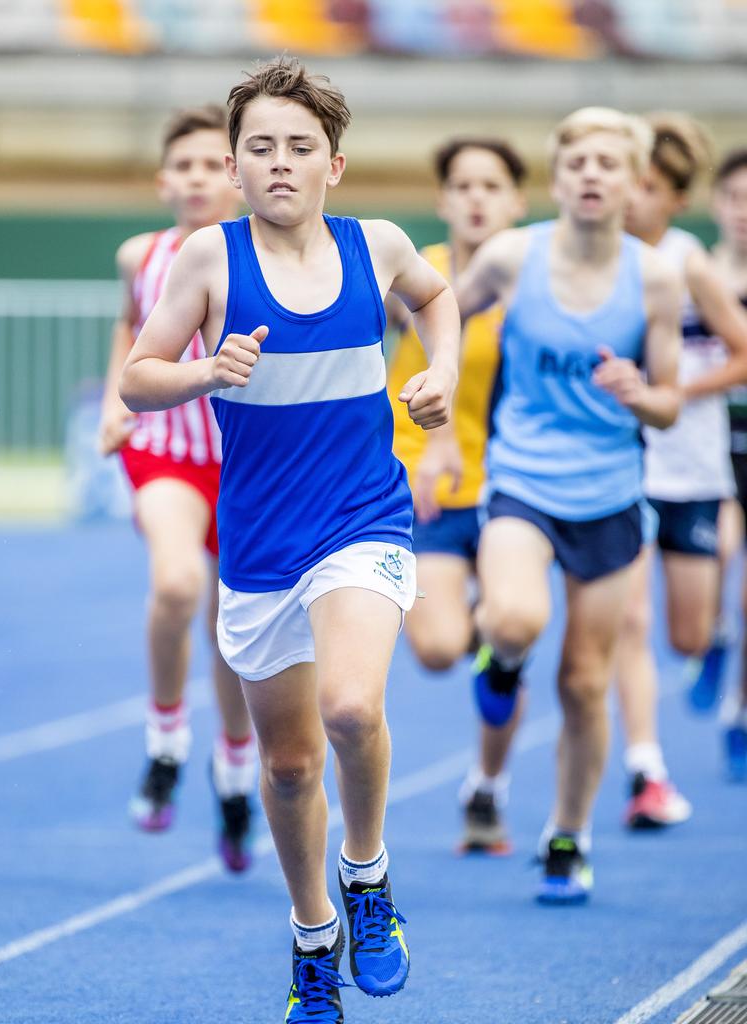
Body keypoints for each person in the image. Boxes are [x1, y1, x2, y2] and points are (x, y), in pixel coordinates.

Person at [119, 56, 459, 1023]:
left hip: (363, 516)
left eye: (299, 147)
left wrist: (441, 372)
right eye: (260, 148)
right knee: (290, 764)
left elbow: (438, 301)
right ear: (233, 168)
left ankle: (368, 879)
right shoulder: (208, 262)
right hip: (262, 540)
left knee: (353, 710)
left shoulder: (379, 245)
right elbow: (139, 377)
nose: (279, 163)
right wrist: (204, 372)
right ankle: (313, 937)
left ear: (333, 165)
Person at [453, 107, 682, 903]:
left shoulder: (654, 276)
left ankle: (568, 835)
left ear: (632, 183)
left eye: (607, 164)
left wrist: (640, 393)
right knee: (513, 618)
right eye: (577, 161)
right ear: (556, 179)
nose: (591, 174)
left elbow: (670, 405)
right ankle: (502, 660)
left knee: (586, 682)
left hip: (611, 494)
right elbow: (437, 310)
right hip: (522, 476)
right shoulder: (513, 255)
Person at [99, 105, 256, 871]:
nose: (196, 178)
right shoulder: (142, 255)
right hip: (167, 449)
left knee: (235, 626)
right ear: (164, 180)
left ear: (234, 175)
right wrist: (110, 405)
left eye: (209, 165)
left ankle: (233, 766)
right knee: (175, 583)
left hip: (249, 460)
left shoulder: (257, 250)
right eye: (182, 167)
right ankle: (165, 740)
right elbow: (131, 332)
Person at [386, 136, 527, 853]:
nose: (476, 197)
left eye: (492, 185)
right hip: (427, 482)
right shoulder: (415, 275)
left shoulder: (537, 280)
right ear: (442, 200)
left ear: (517, 202)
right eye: (462, 185)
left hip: (515, 487)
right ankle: (492, 634)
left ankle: (487, 790)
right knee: (440, 648)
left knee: (511, 629)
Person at [617, 115, 747, 822]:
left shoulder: (690, 263)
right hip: (624, 469)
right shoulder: (598, 260)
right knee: (628, 621)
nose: (631, 198)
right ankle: (647, 768)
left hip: (692, 467)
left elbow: (743, 352)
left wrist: (674, 391)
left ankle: (718, 642)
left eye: (649, 188)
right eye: (627, 184)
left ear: (673, 198)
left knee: (685, 637)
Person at [709, 147, 747, 781]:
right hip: (711, 445)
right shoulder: (695, 273)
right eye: (735, 199)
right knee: (717, 554)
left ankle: (740, 703)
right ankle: (711, 634)